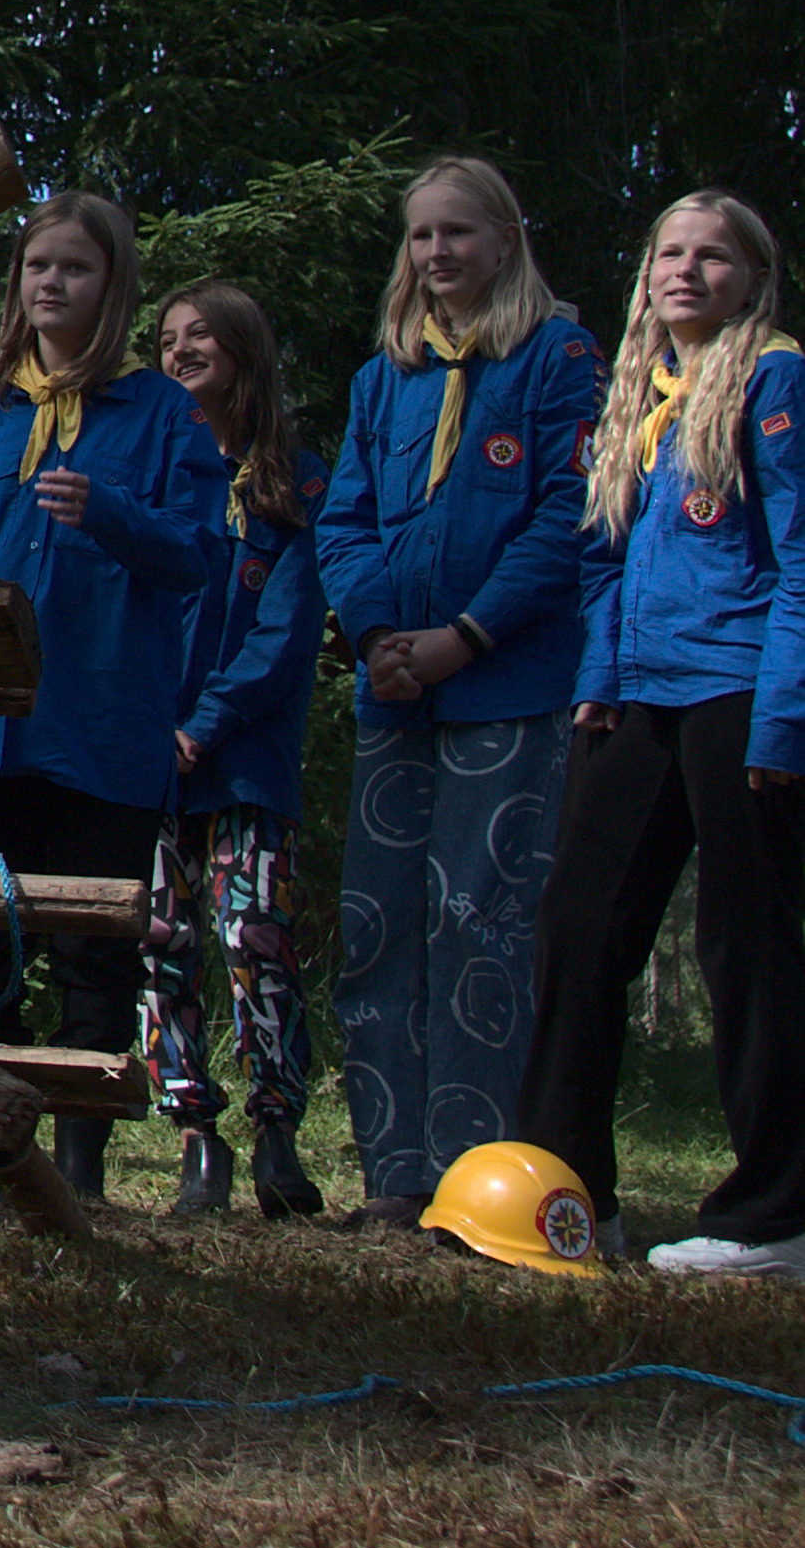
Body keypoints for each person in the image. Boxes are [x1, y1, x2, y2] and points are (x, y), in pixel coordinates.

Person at [0, 189, 223, 1195]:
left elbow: (198, 556)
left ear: (110, 286)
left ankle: (78, 1164)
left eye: (74, 268)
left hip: (101, 726)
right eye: (38, 265)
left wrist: (111, 511)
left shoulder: (163, 413)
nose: (52, 282)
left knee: (91, 954)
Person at [521, 187, 805, 1280]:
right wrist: (598, 676)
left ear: (752, 279)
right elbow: (605, 556)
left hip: (742, 695)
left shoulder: (774, 378)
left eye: (714, 257)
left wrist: (780, 721)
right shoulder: (640, 392)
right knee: (578, 924)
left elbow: (796, 559)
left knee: (748, 944)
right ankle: (567, 1192)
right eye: (669, 254)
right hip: (635, 693)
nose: (685, 271)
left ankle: (773, 1215)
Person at [315, 153, 600, 1227]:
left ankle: (475, 1183)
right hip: (397, 689)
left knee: (477, 923)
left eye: (459, 235)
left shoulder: (556, 356)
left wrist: (463, 637)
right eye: (423, 237)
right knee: (381, 922)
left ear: (505, 241)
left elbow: (567, 513)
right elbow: (343, 518)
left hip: (503, 685)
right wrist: (384, 632)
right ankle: (393, 1176)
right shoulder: (383, 375)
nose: (438, 256)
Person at [139, 279, 332, 1226]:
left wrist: (204, 724)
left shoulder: (298, 481)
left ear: (243, 351)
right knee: (159, 943)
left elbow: (287, 633)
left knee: (256, 941)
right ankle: (193, 1137)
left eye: (200, 336)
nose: (180, 352)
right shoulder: (153, 471)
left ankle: (276, 1134)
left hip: (244, 755)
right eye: (167, 339)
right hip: (147, 755)